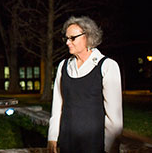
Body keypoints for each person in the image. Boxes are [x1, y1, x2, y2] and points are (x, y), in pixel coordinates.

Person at [47, 16, 123, 153]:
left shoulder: (107, 66)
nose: (67, 43)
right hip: (67, 141)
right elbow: (57, 105)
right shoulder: (63, 66)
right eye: (66, 38)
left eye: (72, 38)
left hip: (94, 144)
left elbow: (114, 117)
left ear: (87, 36)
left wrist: (111, 148)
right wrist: (52, 137)